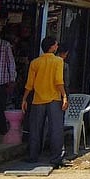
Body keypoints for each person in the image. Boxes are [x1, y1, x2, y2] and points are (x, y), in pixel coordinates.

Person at [22, 36, 68, 167]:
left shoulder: (35, 63)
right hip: (54, 98)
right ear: (52, 47)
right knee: (56, 129)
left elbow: (29, 84)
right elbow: (59, 81)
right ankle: (55, 158)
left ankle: (33, 156)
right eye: (56, 45)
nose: (57, 46)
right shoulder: (58, 61)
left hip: (38, 99)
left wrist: (24, 99)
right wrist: (64, 96)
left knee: (35, 129)